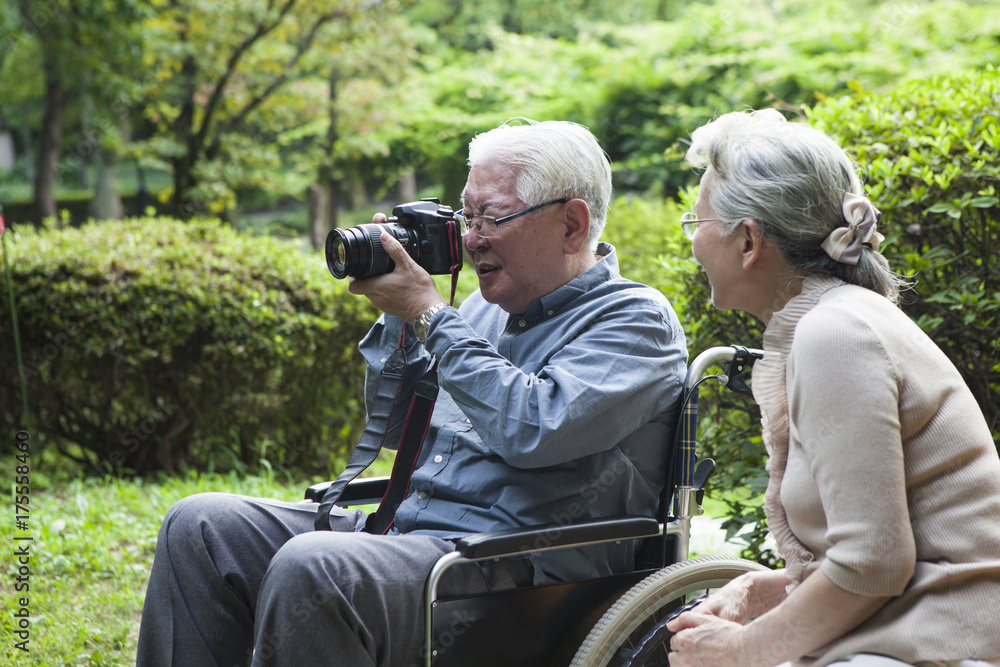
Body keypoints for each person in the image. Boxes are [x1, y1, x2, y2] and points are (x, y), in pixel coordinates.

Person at [136, 119, 688, 667]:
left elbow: (534, 428)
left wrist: (430, 315)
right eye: (465, 216)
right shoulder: (478, 312)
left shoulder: (635, 320)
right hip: (410, 534)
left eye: (491, 217)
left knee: (317, 567)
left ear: (572, 224)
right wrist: (403, 318)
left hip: (515, 580)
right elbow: (401, 429)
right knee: (202, 527)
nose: (471, 239)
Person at [666, 108, 1000, 667]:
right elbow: (884, 556)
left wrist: (740, 650)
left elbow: (872, 565)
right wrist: (758, 591)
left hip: (946, 649)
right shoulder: (835, 321)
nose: (693, 244)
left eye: (695, 223)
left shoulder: (835, 333)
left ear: (749, 240)